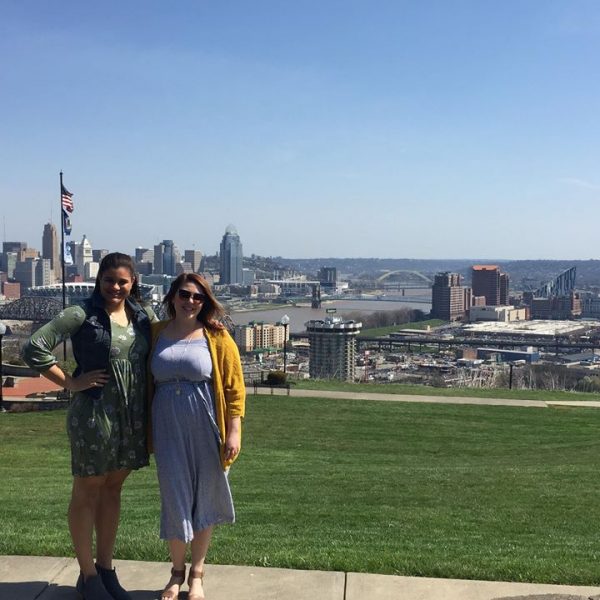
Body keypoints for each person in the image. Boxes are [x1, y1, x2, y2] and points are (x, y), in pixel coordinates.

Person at [23, 252, 156, 600]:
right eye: (109, 279)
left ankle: (106, 569)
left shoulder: (142, 316)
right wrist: (70, 382)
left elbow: (168, 339)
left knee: (113, 490)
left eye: (122, 281)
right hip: (94, 415)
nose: (115, 286)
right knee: (87, 491)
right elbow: (34, 347)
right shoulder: (80, 313)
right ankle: (87, 575)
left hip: (130, 416)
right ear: (99, 280)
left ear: (133, 283)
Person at [149, 273, 245, 600]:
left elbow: (234, 389)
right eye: (184, 294)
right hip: (167, 426)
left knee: (205, 497)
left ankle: (197, 574)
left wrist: (234, 431)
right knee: (174, 499)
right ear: (172, 297)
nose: (190, 301)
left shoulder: (217, 337)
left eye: (198, 297)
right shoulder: (155, 333)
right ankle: (176, 573)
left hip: (207, 424)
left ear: (205, 302)